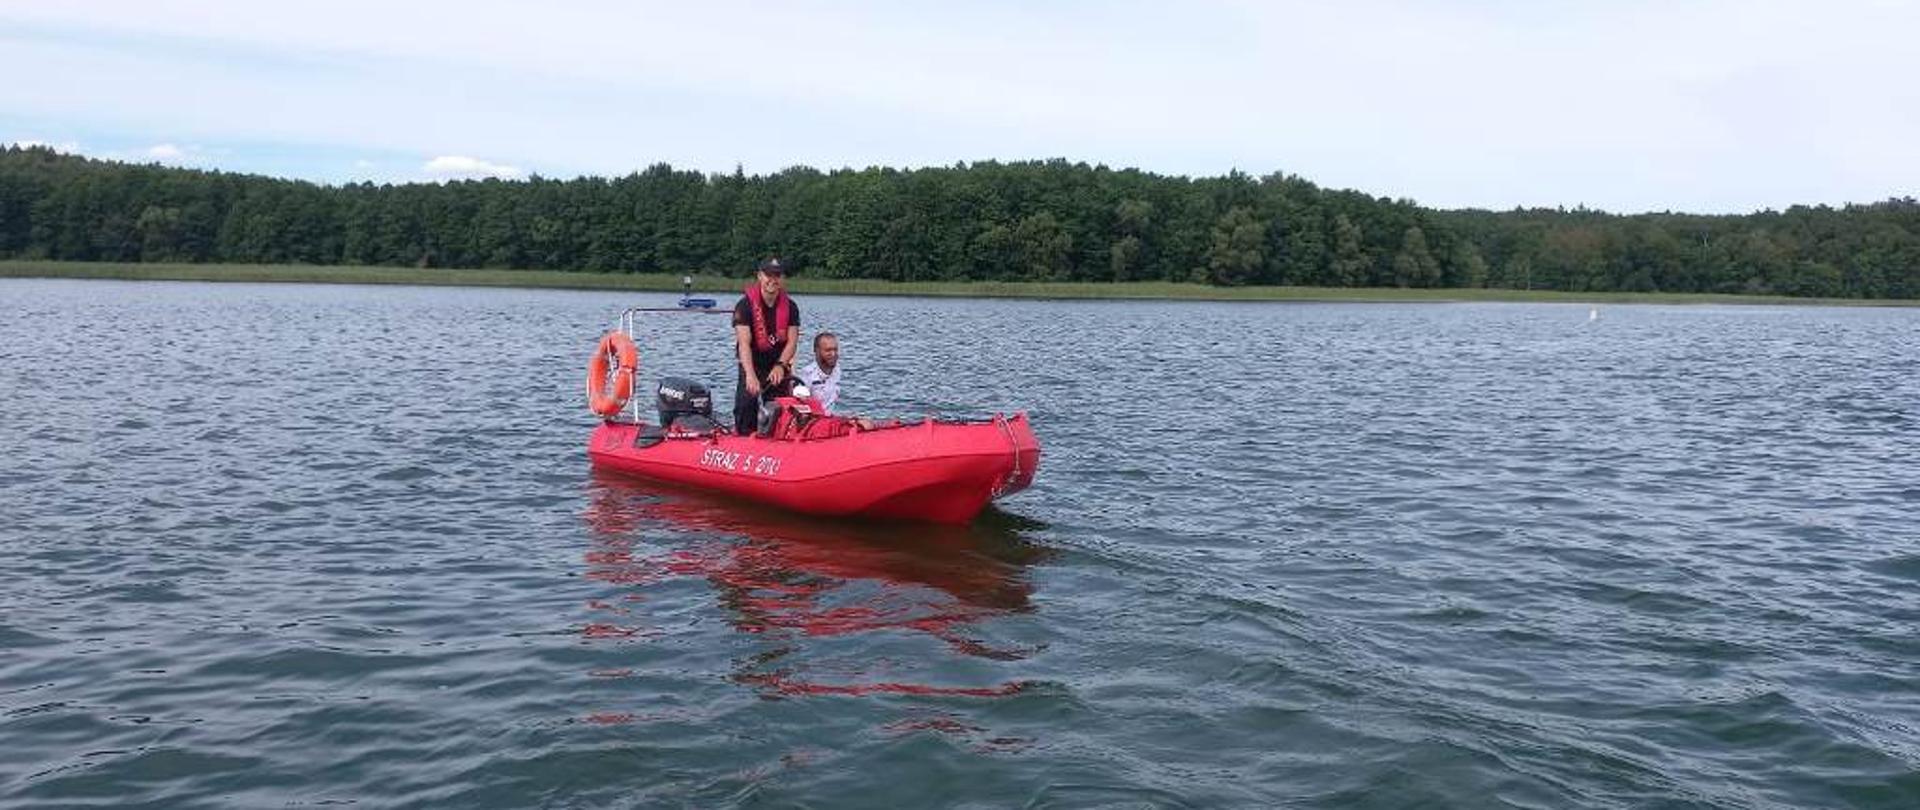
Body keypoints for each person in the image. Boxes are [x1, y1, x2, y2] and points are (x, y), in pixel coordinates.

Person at [732, 257, 801, 434]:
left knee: (780, 410)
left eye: (777, 275)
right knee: (746, 405)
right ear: (760, 276)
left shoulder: (791, 307)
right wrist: (750, 375)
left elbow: (792, 341)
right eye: (768, 275)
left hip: (778, 363)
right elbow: (744, 344)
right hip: (752, 363)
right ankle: (743, 438)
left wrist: (780, 365)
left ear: (782, 279)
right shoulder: (744, 306)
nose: (773, 280)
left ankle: (777, 441)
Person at [797, 332, 842, 415]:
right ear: (816, 351)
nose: (833, 354)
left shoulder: (837, 371)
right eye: (828, 350)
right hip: (814, 421)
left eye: (835, 350)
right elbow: (800, 407)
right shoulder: (807, 375)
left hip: (831, 418)